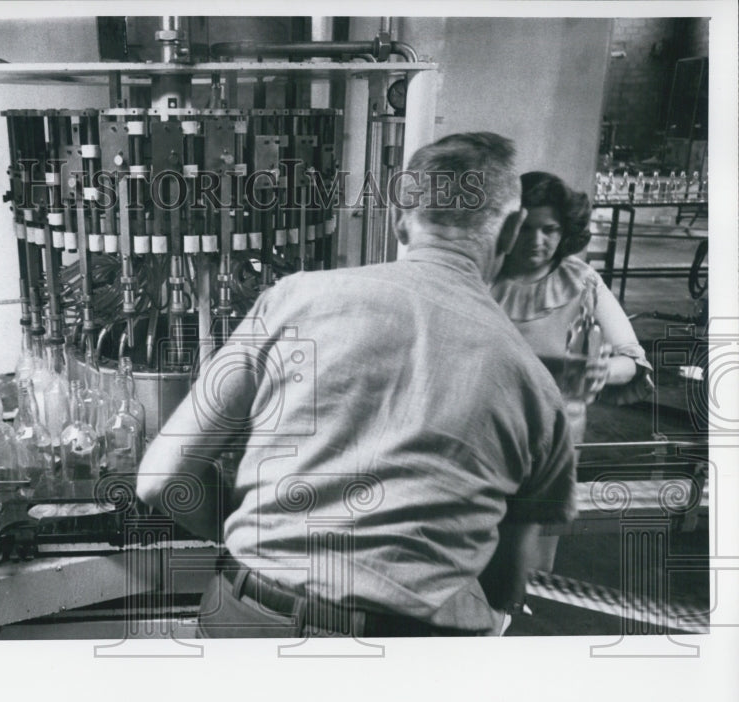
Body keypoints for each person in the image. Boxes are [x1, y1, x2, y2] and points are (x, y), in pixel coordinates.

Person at [137, 133, 578, 638]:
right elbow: (507, 583)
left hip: (247, 617)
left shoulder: (291, 299)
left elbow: (160, 480)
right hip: (409, 656)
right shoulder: (535, 384)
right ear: (513, 230)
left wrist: (271, 543)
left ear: (399, 218)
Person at [491, 171, 653, 571]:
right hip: (488, 433)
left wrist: (603, 371)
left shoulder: (582, 282)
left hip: (555, 440)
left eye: (550, 229)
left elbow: (632, 359)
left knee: (532, 557)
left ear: (566, 232)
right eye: (525, 227)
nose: (536, 240)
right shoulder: (480, 277)